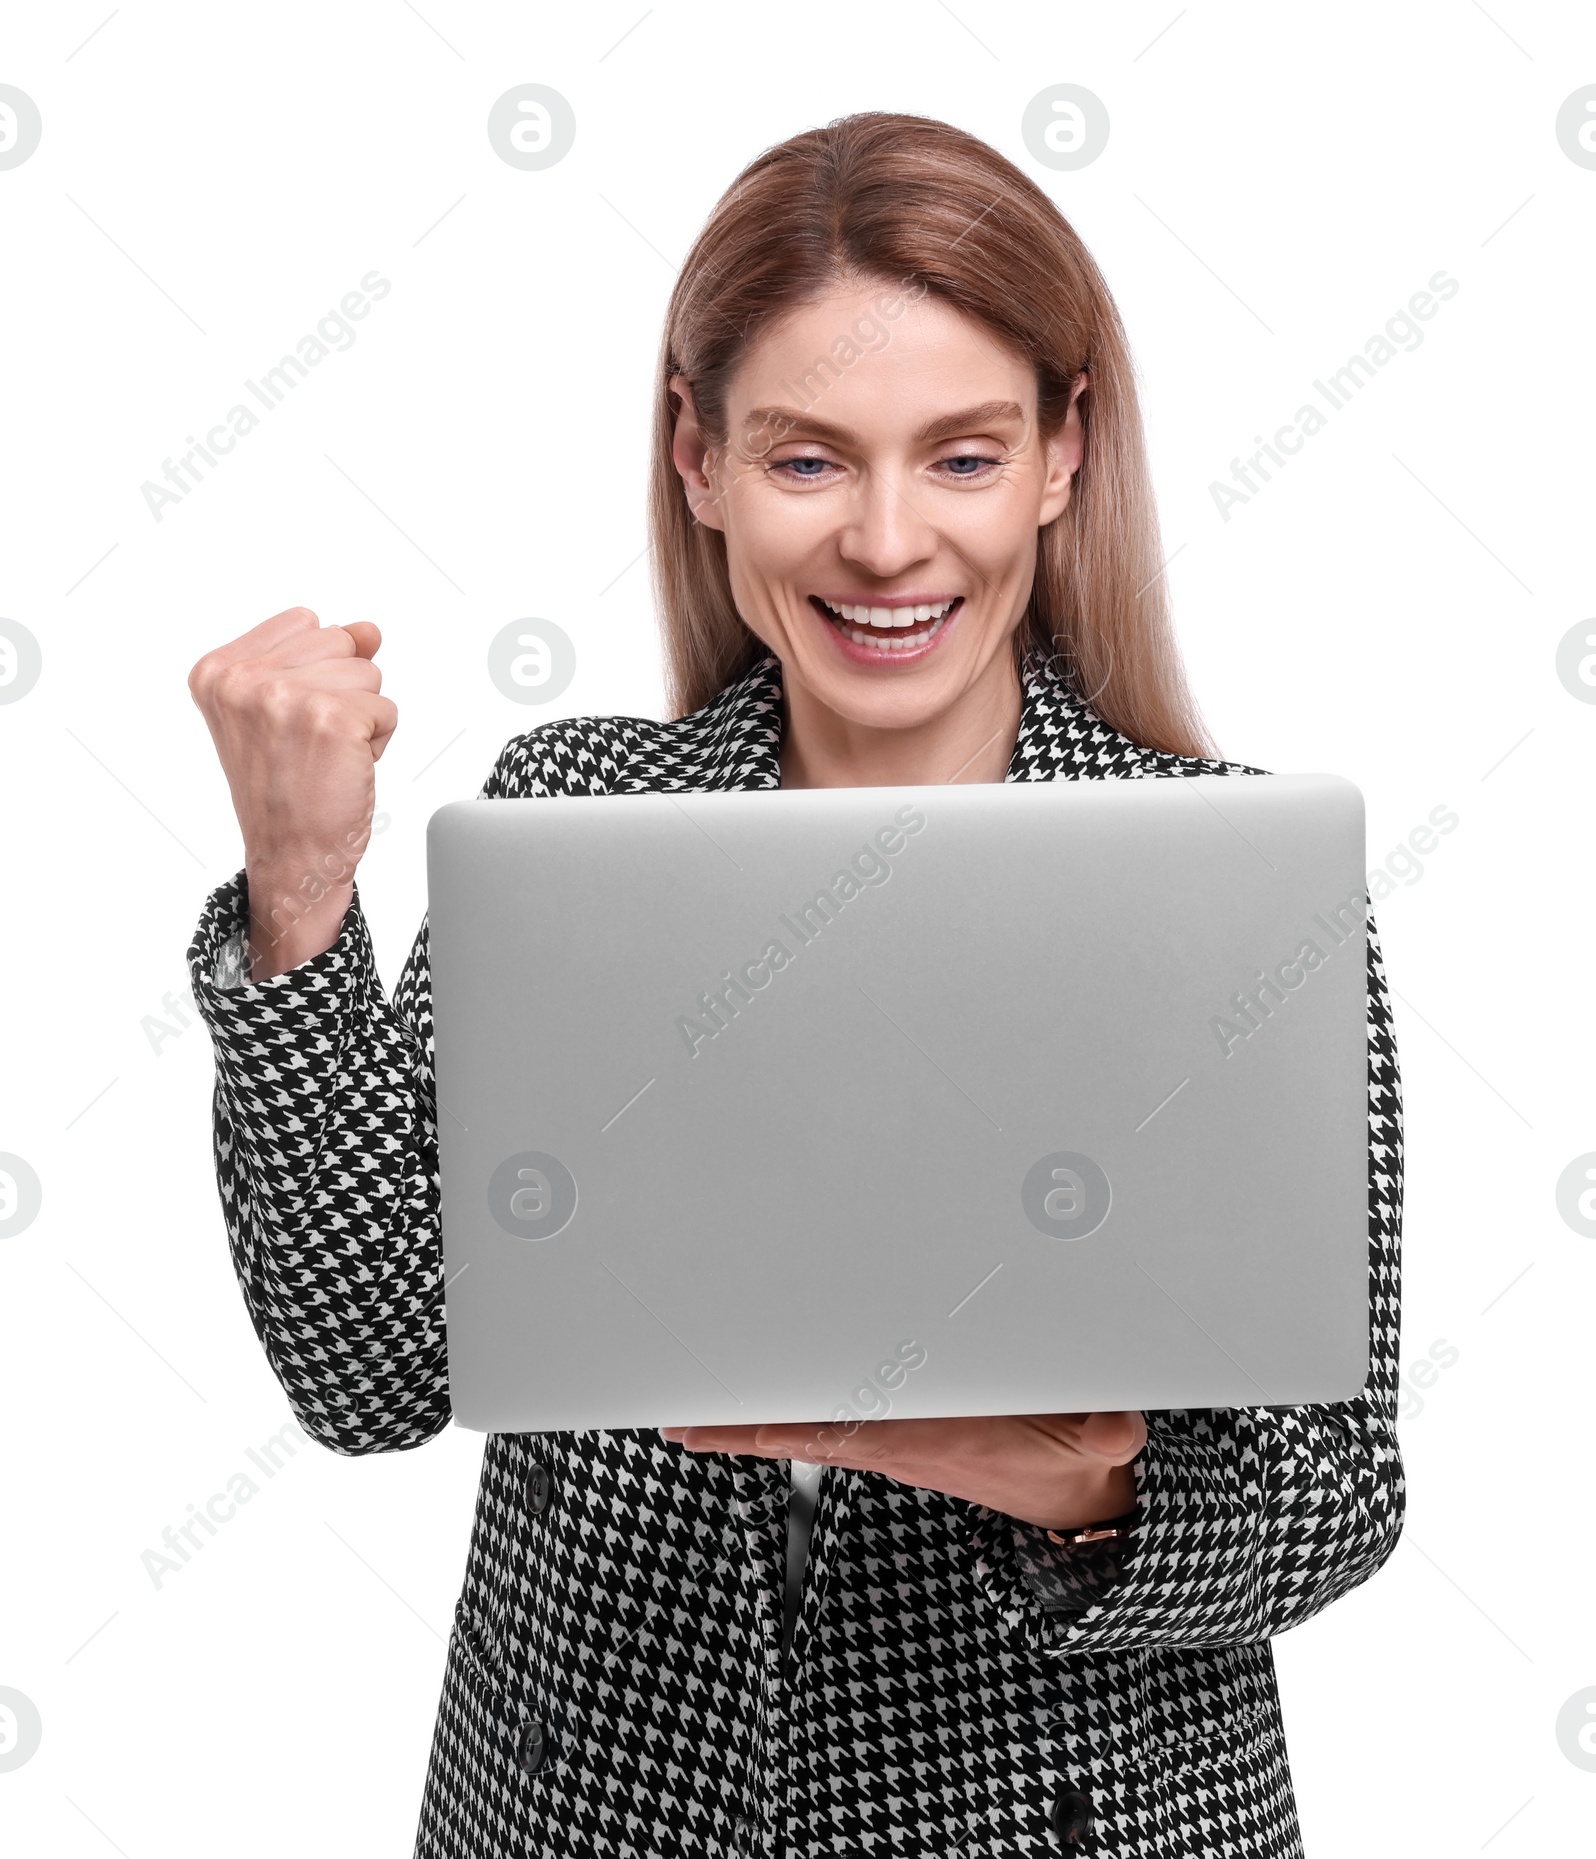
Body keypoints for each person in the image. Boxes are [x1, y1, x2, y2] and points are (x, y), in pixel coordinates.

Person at [184, 111, 1403, 1858]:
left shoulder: (1234, 884)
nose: (889, 545)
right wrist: (303, 890)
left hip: (1066, 1822)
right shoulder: (579, 820)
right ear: (699, 459)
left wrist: (1088, 1497)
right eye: (810, 461)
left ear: (1067, 452)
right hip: (598, 1817)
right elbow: (372, 1372)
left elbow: (1338, 1500)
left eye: (964, 458)